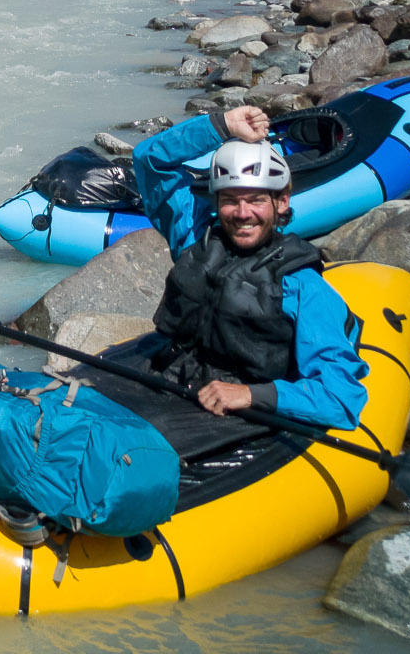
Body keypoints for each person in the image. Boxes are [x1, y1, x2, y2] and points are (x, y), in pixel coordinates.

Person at [121, 104, 369, 435]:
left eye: (255, 199)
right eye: (230, 200)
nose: (242, 212)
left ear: (281, 203)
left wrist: (252, 395)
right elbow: (149, 159)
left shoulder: (302, 285)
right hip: (176, 376)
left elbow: (341, 398)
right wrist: (221, 126)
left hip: (242, 408)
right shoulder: (195, 239)